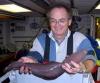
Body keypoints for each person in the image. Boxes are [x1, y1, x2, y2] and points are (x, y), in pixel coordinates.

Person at [8, 3, 96, 83]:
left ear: (69, 22)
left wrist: (83, 67)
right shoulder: (41, 39)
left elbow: (91, 57)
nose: (57, 25)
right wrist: (31, 59)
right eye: (53, 21)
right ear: (49, 22)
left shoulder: (80, 38)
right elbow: (35, 54)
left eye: (61, 20)